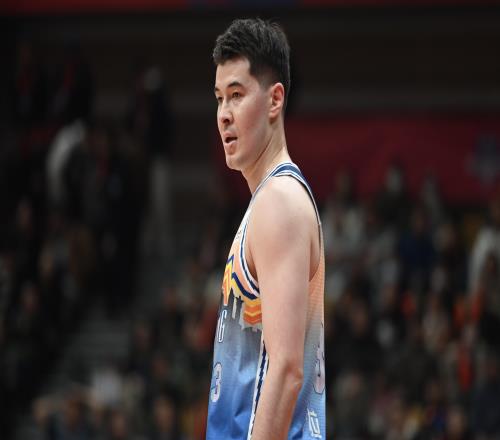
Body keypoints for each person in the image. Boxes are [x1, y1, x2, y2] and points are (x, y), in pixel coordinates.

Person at [207, 18, 325, 440]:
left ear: (275, 100)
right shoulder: (268, 201)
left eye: (237, 95)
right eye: (219, 98)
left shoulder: (279, 202)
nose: (224, 114)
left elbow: (287, 369)